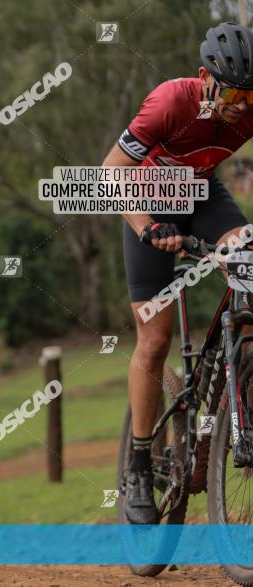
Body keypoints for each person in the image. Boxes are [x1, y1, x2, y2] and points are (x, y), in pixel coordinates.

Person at [102, 22, 253, 524]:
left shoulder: (249, 110)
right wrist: (148, 229)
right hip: (147, 197)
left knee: (248, 265)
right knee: (155, 338)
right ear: (204, 79)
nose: (240, 105)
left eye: (250, 96)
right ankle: (140, 465)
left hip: (204, 194)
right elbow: (111, 171)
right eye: (231, 92)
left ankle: (240, 392)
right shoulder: (171, 102)